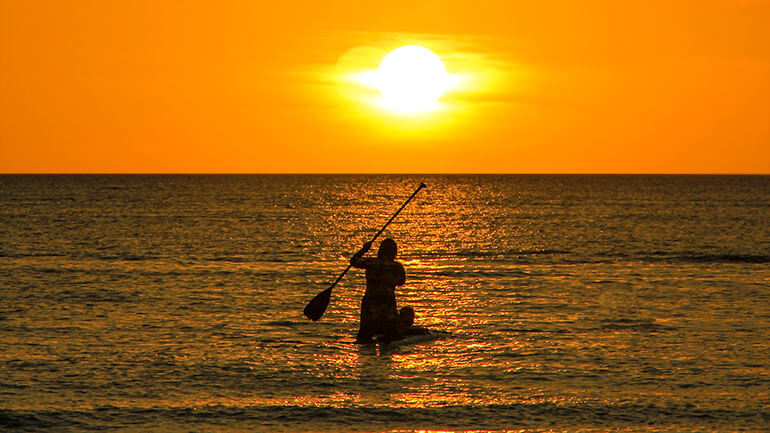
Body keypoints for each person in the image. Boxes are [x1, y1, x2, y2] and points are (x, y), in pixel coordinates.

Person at [350, 238, 406, 344]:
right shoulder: (397, 267)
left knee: (365, 336)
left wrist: (364, 250)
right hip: (387, 302)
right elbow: (401, 282)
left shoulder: (371, 262)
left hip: (370, 302)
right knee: (390, 335)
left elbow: (354, 261)